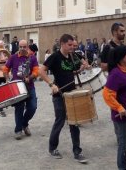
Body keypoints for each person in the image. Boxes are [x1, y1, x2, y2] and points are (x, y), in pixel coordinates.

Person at [39, 34, 88, 164]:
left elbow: (72, 72)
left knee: (74, 122)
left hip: (71, 93)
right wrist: (51, 84)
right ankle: (53, 147)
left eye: (73, 45)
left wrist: (83, 67)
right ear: (62, 44)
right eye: (69, 45)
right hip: (59, 95)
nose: (72, 47)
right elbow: (41, 71)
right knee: (60, 121)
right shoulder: (55, 57)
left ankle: (77, 151)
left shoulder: (73, 56)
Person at [5, 40, 39, 138]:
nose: (22, 49)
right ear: (18, 47)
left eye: (24, 47)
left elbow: (36, 71)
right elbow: (5, 69)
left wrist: (30, 77)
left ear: (27, 47)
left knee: (33, 107)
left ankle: (24, 124)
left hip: (30, 86)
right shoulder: (13, 57)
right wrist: (7, 79)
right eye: (21, 47)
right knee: (19, 109)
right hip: (17, 87)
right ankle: (18, 130)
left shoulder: (32, 58)